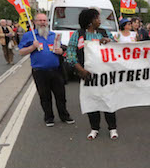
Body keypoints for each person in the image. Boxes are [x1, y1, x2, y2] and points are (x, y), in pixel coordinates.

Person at [67, 8, 118, 139]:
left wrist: (109, 42)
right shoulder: (78, 35)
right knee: (92, 100)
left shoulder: (104, 33)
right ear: (90, 21)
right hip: (87, 75)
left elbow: (117, 49)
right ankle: (94, 128)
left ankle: (112, 128)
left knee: (108, 99)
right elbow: (71, 55)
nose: (100, 21)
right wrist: (81, 70)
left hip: (105, 75)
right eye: (97, 18)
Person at [20, 13, 75, 127]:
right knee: (44, 96)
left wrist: (61, 52)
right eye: (40, 20)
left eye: (44, 20)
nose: (42, 22)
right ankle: (49, 117)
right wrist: (32, 47)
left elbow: (61, 50)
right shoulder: (30, 36)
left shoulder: (54, 35)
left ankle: (64, 115)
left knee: (61, 95)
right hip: (39, 71)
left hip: (56, 70)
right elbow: (21, 52)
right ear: (35, 22)